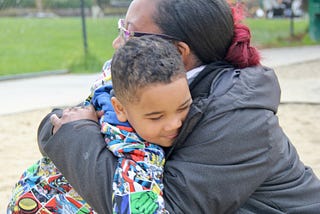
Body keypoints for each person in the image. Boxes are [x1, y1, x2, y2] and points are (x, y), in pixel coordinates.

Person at [38, 0, 320, 213]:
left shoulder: (240, 118)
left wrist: (74, 135)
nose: (117, 43)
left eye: (128, 32)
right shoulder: (150, 79)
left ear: (178, 52)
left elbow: (156, 207)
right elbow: (57, 125)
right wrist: (70, 133)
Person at [8, 36, 190, 214]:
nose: (174, 124)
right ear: (119, 108)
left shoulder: (108, 91)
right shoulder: (137, 152)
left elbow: (108, 72)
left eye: (184, 106)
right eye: (156, 117)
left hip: (28, 193)